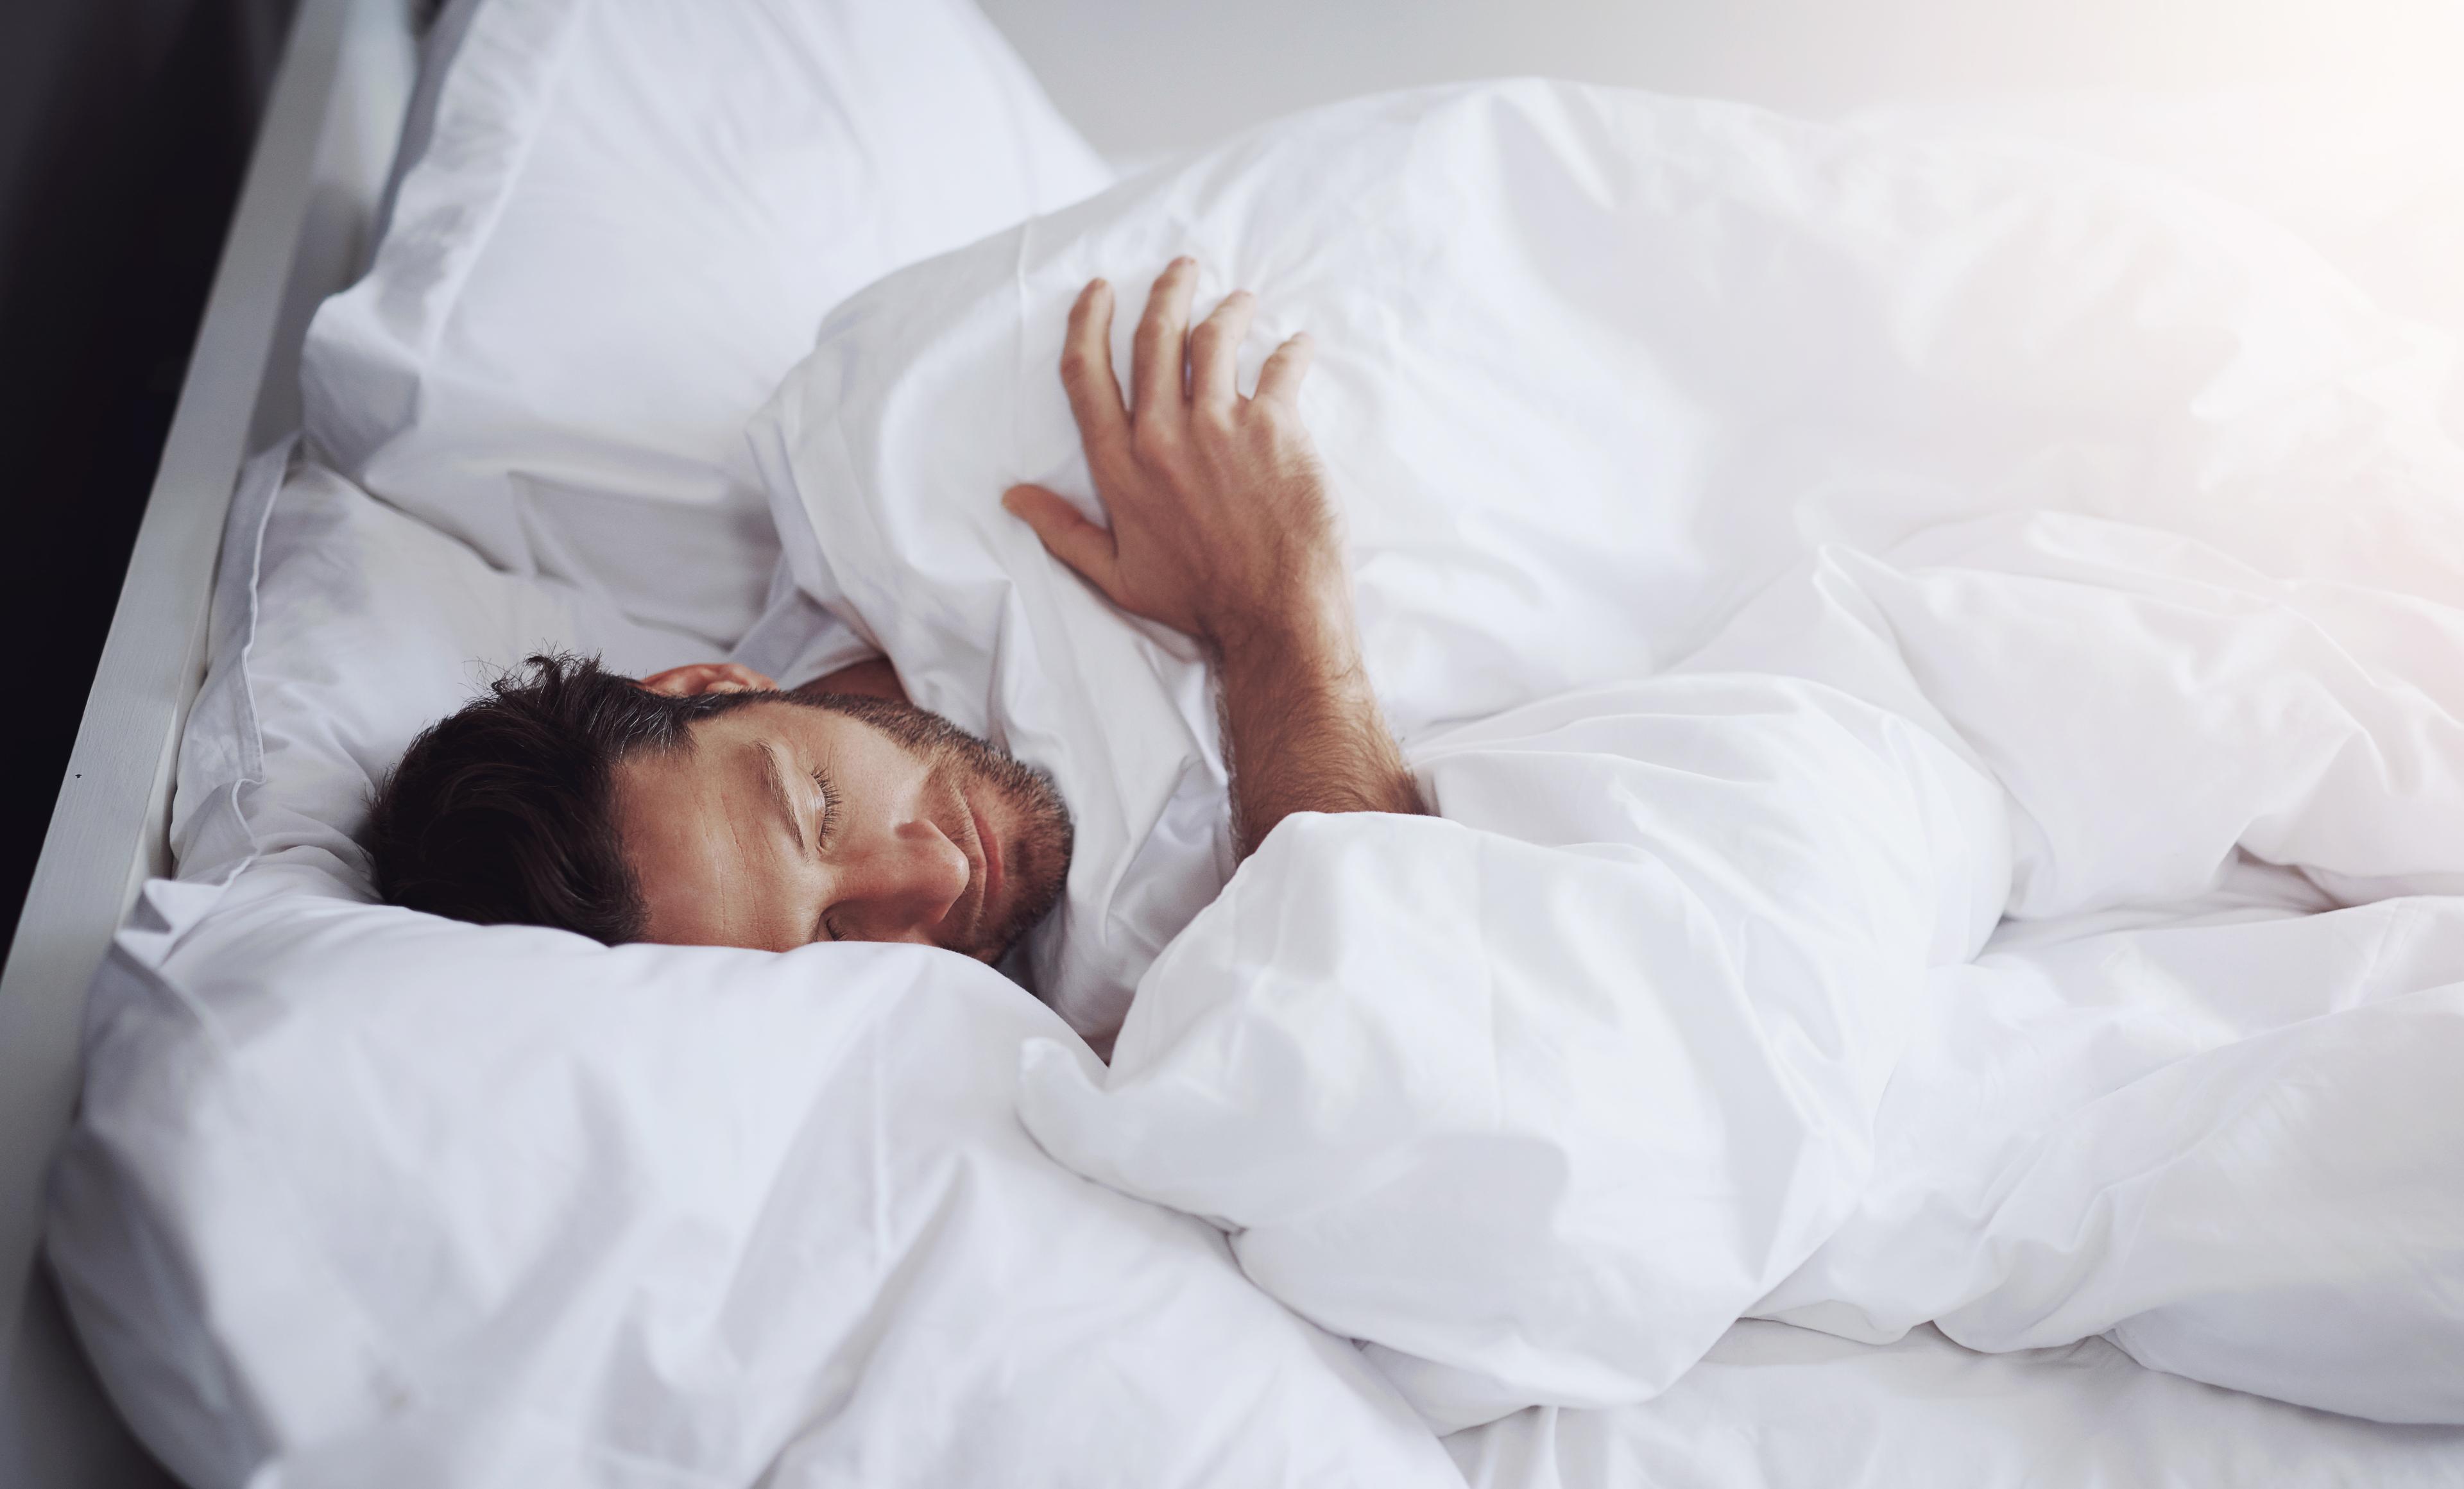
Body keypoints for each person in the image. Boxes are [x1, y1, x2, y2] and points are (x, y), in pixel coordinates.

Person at [367, 258, 1425, 963]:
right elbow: (1388, 984)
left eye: (822, 806)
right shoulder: (1092, 1018)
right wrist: (1277, 609)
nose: (942, 873)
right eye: (837, 936)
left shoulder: (886, 466)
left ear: (714, 686)